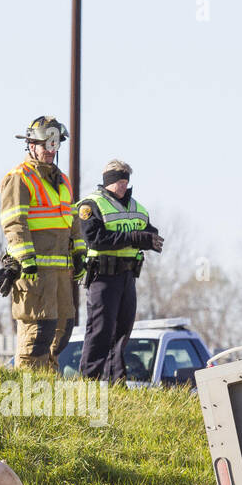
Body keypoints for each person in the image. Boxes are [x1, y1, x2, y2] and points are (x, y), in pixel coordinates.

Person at [0, 116, 87, 370]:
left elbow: (71, 220)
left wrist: (79, 253)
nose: (50, 150)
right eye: (45, 144)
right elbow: (14, 222)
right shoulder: (19, 177)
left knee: (62, 329)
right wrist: (25, 259)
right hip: (34, 272)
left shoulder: (62, 180)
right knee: (38, 333)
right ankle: (27, 389)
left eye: (55, 144)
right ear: (30, 145)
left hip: (61, 273)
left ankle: (48, 387)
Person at [77, 159, 163, 381]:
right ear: (108, 182)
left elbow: (149, 231)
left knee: (123, 331)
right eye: (119, 182)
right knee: (100, 331)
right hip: (103, 277)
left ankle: (116, 381)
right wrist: (133, 238)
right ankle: (89, 381)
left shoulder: (137, 208)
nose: (123, 186)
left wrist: (149, 239)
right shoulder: (91, 205)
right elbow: (95, 239)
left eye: (126, 182)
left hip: (127, 277)